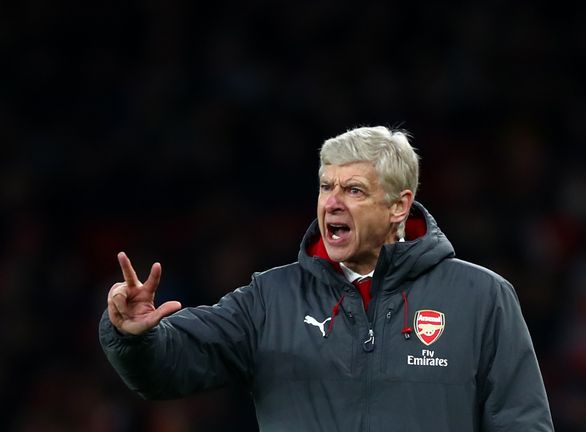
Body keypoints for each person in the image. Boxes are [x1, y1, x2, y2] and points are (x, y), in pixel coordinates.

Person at [99, 126, 554, 431]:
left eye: (353, 190)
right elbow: (170, 366)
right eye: (325, 186)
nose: (332, 202)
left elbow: (522, 422)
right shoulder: (270, 300)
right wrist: (132, 336)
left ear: (399, 206)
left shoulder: (481, 297)